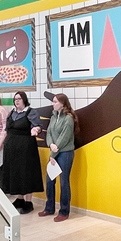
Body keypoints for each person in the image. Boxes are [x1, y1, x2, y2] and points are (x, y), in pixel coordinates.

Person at [0, 91, 43, 214]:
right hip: (12, 148)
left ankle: (28, 202)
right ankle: (20, 198)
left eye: (19, 99)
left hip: (26, 148)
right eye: (15, 99)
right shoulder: (12, 113)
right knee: (15, 173)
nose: (17, 101)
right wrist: (0, 143)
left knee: (26, 173)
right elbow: (6, 130)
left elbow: (37, 125)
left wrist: (35, 130)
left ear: (24, 100)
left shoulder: (30, 112)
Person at [39, 94, 78, 222]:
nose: (53, 104)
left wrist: (53, 153)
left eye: (55, 102)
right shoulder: (53, 117)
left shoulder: (68, 118)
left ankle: (64, 211)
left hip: (65, 153)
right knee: (50, 180)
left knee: (63, 182)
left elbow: (64, 138)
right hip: (54, 152)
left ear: (62, 103)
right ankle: (49, 208)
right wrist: (50, 145)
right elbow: (49, 132)